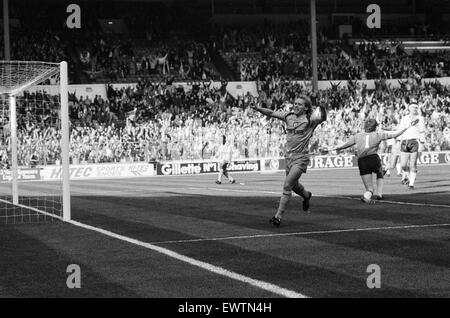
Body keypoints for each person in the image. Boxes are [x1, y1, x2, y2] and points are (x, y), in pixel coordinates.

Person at [251, 95, 327, 227]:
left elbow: (323, 118)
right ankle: (306, 195)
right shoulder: (288, 116)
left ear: (306, 108)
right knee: (294, 185)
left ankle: (278, 217)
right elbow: (271, 112)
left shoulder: (310, 120)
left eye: (299, 104)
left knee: (287, 185)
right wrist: (258, 108)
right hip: (288, 157)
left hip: (301, 158)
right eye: (295, 103)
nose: (296, 106)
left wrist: (322, 107)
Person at [332, 118, 418, 203]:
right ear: (374, 127)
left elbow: (346, 144)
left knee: (370, 189)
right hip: (373, 158)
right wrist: (408, 127)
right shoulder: (378, 135)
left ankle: (367, 195)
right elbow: (395, 135)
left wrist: (337, 147)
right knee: (380, 173)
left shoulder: (357, 136)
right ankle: (379, 194)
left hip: (362, 161)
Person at [398, 103, 426, 189]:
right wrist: (399, 141)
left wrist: (422, 143)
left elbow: (422, 131)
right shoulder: (404, 118)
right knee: (403, 165)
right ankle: (407, 176)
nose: (414, 108)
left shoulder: (420, 118)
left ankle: (411, 184)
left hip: (415, 141)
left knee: (413, 164)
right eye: (413, 107)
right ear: (409, 109)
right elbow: (400, 130)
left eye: (416, 107)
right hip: (405, 141)